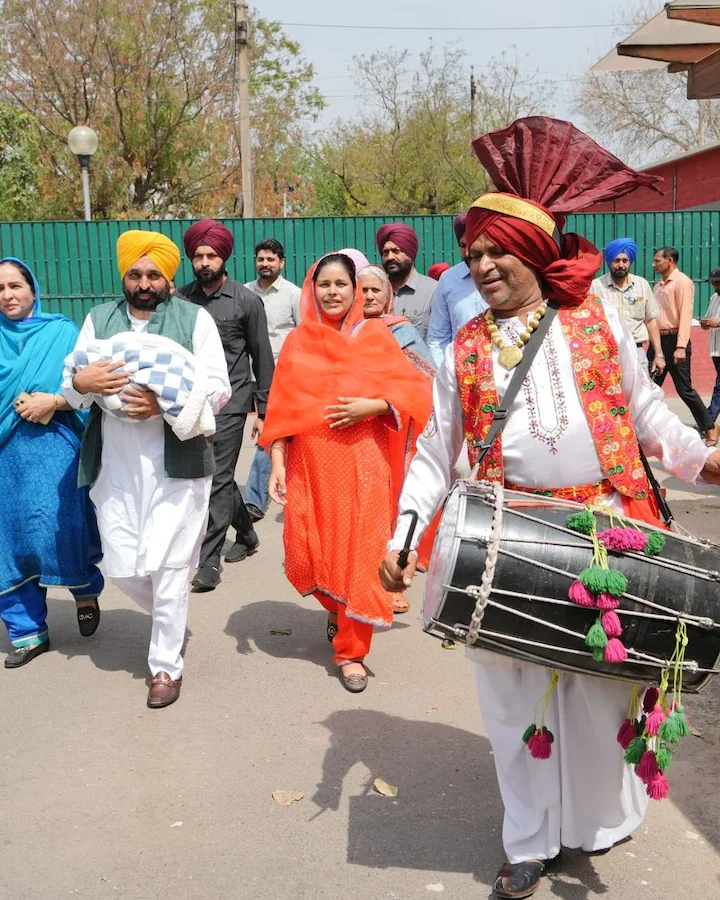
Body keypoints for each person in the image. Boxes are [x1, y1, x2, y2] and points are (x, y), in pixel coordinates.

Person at [379, 116, 720, 899]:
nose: (484, 264)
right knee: (511, 701)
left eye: (497, 250)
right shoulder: (462, 347)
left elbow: (649, 416)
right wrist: (404, 533)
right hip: (502, 539)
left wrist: (704, 458)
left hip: (605, 530)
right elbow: (435, 452)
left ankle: (596, 823)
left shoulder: (598, 321)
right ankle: (527, 841)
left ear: (534, 250)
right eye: (473, 255)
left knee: (602, 691)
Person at [63, 231, 231, 708]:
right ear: (124, 275)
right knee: (123, 565)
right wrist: (82, 379)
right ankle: (170, 618)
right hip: (115, 463)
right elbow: (72, 384)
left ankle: (165, 666)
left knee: (171, 563)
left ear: (168, 276)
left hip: (178, 464)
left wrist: (163, 403)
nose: (143, 283)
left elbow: (218, 387)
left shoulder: (193, 319)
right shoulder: (99, 320)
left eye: (153, 274)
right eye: (134, 274)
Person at [260, 252, 432, 693]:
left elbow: (417, 391)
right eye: (324, 284)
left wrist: (372, 405)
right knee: (309, 547)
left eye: (341, 284)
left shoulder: (376, 336)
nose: (332, 292)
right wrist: (277, 461)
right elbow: (282, 407)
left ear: (355, 291)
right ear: (312, 290)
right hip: (310, 463)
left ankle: (352, 652)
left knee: (361, 552)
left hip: (364, 462)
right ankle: (338, 604)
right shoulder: (300, 341)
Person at [0, 257, 104, 668]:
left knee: (60, 527)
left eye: (15, 286)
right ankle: (27, 632)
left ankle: (84, 588)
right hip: (5, 453)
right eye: (0, 289)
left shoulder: (60, 331)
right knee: (9, 540)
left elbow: (86, 388)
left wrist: (54, 402)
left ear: (32, 288)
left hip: (55, 444)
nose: (8, 296)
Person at [179, 220, 274, 590]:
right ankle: (247, 534)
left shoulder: (246, 301)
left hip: (233, 401)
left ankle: (210, 560)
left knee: (216, 479)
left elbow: (262, 358)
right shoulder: (182, 301)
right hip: (191, 404)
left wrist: (264, 412)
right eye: (199, 256)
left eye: (211, 255)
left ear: (224, 257)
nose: (205, 262)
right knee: (214, 475)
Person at [244, 238, 301, 523]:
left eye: (271, 259)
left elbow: (304, 336)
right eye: (261, 259)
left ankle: (254, 499)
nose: (265, 264)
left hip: (282, 376)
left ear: (282, 262)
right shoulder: (243, 294)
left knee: (270, 432)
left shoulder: (293, 295)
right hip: (249, 375)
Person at [650, 246, 719, 445]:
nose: (654, 265)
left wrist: (680, 347)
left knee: (684, 389)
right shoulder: (659, 286)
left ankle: (709, 427)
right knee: (650, 387)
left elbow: (686, 316)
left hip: (675, 342)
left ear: (669, 261)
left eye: (657, 261)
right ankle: (646, 430)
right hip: (658, 343)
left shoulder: (682, 282)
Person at [590, 238, 664, 375]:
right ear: (609, 261)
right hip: (607, 352)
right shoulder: (596, 287)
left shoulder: (641, 285)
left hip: (637, 351)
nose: (621, 265)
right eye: (616, 260)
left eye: (625, 261)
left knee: (640, 395)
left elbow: (651, 321)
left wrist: (659, 354)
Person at [427, 213, 487, 366]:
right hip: (458, 375)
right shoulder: (448, 279)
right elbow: (437, 338)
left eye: (471, 244)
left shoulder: (502, 274)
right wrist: (447, 378)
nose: (467, 252)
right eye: (462, 245)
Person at [376, 223, 437, 340]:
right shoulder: (375, 292)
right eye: (385, 252)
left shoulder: (433, 291)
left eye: (396, 251)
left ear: (410, 254)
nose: (390, 257)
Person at [700, 266, 720, 424]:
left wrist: (717, 323)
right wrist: (705, 323)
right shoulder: (714, 297)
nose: (716, 286)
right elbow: (709, 317)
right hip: (715, 349)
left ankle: (708, 419)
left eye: (718, 282)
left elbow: (716, 321)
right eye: (714, 282)